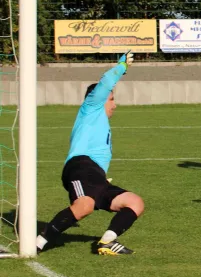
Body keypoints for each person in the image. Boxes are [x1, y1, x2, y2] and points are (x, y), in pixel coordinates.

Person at [36, 51, 145, 255]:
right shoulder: (91, 106)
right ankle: (37, 243)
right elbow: (105, 83)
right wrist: (122, 66)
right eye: (111, 99)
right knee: (85, 205)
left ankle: (107, 242)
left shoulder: (99, 122)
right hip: (80, 167)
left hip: (95, 175)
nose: (115, 104)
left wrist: (100, 176)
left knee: (135, 202)